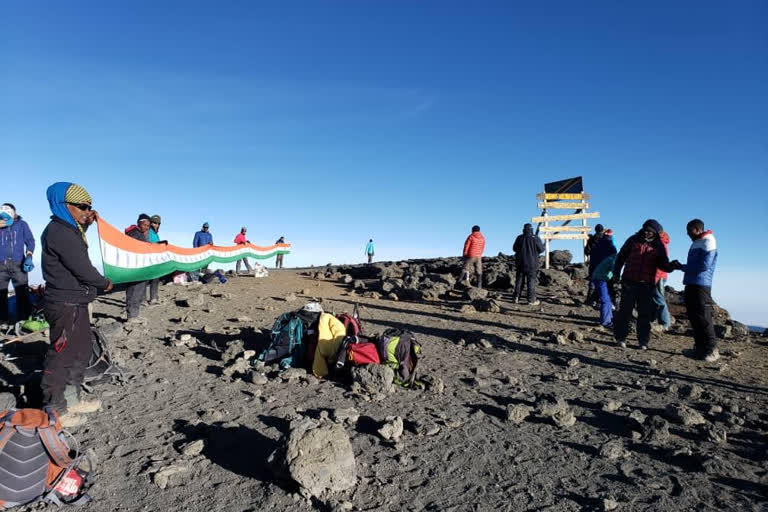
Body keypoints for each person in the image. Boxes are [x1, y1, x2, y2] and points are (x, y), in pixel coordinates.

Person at [40, 182, 113, 427]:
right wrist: (105, 283)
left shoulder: (70, 230)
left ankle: (72, 399)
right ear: (64, 205)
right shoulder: (59, 232)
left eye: (89, 206)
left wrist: (86, 223)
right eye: (82, 206)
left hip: (77, 301)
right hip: (64, 302)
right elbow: (81, 267)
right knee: (62, 354)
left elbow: (78, 251)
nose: (87, 211)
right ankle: (55, 409)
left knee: (80, 350)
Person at [612, 219, 677, 350]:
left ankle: (643, 341)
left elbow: (663, 264)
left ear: (656, 233)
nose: (647, 233)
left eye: (650, 232)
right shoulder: (633, 240)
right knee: (625, 312)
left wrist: (671, 267)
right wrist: (616, 274)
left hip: (647, 284)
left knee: (644, 314)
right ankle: (621, 338)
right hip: (629, 281)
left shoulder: (658, 245)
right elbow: (621, 257)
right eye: (646, 230)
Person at [674, 219, 719, 362]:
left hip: (701, 285)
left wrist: (682, 267)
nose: (688, 233)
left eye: (689, 230)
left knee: (704, 318)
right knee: (694, 317)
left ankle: (712, 350)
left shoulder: (708, 241)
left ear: (697, 229)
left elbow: (704, 266)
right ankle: (699, 349)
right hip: (691, 283)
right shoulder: (696, 242)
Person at [0, 203, 35, 324]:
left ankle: (24, 320)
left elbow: (30, 240)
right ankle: (3, 321)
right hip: (1, 265)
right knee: (1, 294)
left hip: (18, 264)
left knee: (22, 293)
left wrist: (29, 256)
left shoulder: (22, 225)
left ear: (14, 213)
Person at [125, 214, 151, 321]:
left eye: (148, 226)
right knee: (135, 290)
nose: (146, 227)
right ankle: (132, 316)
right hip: (136, 268)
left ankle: (134, 314)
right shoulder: (134, 234)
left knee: (138, 290)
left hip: (139, 267)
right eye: (145, 225)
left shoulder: (138, 233)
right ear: (139, 223)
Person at [589, 229, 618, 327]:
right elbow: (615, 271)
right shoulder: (614, 257)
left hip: (598, 276)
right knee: (605, 299)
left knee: (607, 299)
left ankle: (608, 320)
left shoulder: (599, 244)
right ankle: (605, 322)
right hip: (600, 278)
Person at [512, 223, 545, 305]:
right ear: (532, 229)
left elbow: (514, 248)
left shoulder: (519, 237)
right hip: (532, 263)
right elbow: (541, 249)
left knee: (519, 281)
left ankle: (516, 297)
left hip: (521, 263)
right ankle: (531, 300)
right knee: (531, 282)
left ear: (523, 229)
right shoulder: (536, 238)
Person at [652, 231, 672, 331]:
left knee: (659, 298)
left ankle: (665, 323)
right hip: (658, 275)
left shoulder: (660, 245)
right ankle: (659, 320)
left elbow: (662, 262)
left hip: (658, 275)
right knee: (656, 297)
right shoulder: (661, 244)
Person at [146, 215, 166, 305]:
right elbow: (148, 244)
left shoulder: (155, 233)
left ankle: (153, 298)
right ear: (151, 223)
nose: (156, 225)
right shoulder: (148, 232)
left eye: (158, 223)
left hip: (155, 259)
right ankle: (142, 300)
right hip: (148, 259)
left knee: (155, 278)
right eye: (154, 223)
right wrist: (159, 243)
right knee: (145, 280)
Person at [585, 224, 605, 305]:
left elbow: (587, 251)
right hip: (603, 263)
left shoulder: (591, 239)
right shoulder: (605, 239)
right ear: (602, 230)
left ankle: (590, 300)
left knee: (592, 282)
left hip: (593, 263)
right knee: (602, 282)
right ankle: (600, 300)